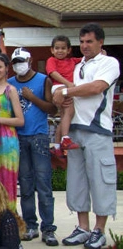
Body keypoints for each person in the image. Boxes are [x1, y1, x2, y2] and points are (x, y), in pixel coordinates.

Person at [52, 22, 120, 249]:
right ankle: (83, 227)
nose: (84, 46)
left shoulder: (109, 62)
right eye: (81, 42)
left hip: (98, 130)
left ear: (101, 42)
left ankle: (99, 230)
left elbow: (95, 88)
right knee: (77, 181)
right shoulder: (77, 65)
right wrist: (60, 98)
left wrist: (65, 92)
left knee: (101, 180)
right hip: (75, 131)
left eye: (89, 41)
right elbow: (68, 98)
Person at [8, 47, 59, 246]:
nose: (18, 65)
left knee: (44, 184)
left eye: (21, 61)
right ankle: (30, 225)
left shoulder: (43, 79)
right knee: (26, 185)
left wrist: (32, 98)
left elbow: (52, 108)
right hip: (18, 138)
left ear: (29, 61)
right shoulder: (10, 84)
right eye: (15, 62)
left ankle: (48, 228)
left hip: (38, 136)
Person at [0, 54, 24, 211]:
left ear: (6, 69)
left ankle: (10, 218)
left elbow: (20, 120)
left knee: (8, 178)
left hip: (7, 140)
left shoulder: (11, 90)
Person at [46, 35, 82, 158]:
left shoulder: (72, 61)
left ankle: (56, 146)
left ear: (68, 50)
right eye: (57, 48)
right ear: (52, 50)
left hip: (67, 88)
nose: (60, 51)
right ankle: (65, 139)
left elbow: (86, 59)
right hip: (59, 88)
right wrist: (67, 84)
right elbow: (52, 73)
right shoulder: (52, 60)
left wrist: (102, 54)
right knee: (70, 111)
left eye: (63, 48)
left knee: (64, 116)